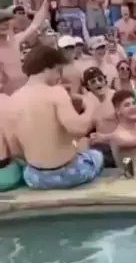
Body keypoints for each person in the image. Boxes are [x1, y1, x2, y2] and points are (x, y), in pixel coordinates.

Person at [8, 45, 103, 190]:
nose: (60, 77)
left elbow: (15, 148)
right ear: (47, 68)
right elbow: (78, 129)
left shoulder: (14, 98)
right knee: (96, 155)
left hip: (34, 177)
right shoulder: (56, 92)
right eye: (58, 70)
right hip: (67, 174)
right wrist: (91, 106)